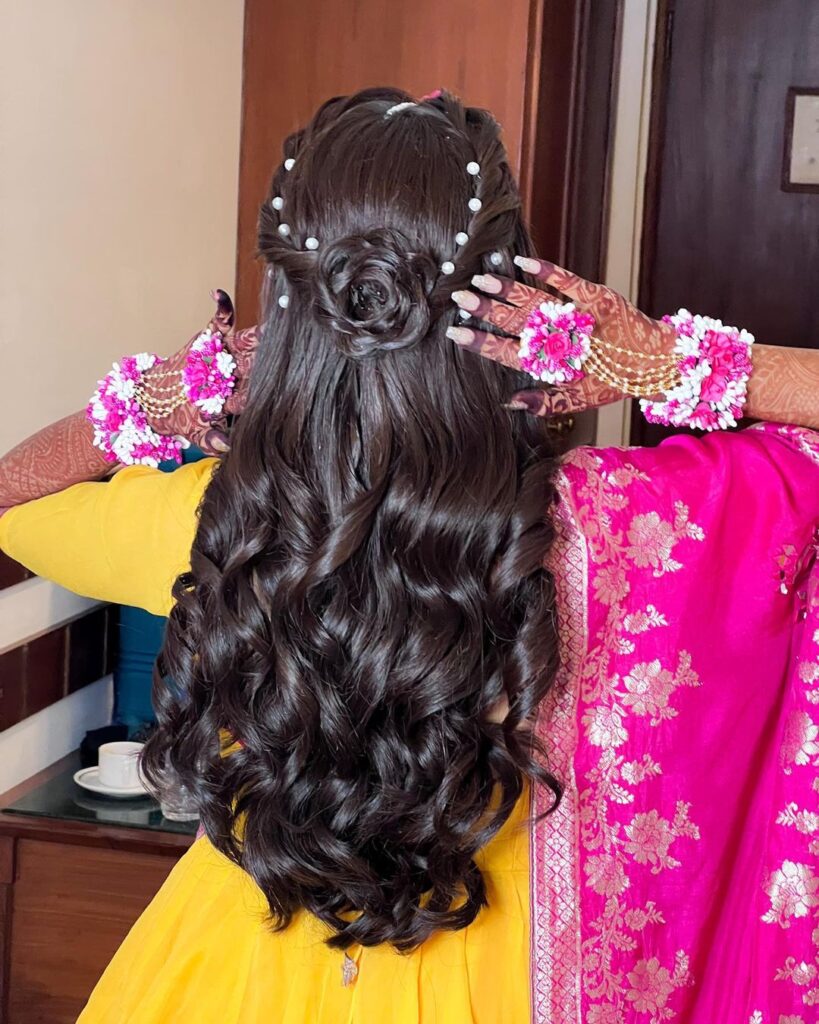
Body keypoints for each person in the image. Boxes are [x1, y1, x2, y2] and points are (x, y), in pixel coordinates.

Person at [1, 88, 818, 1024]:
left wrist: (179, 392)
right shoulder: (625, 530)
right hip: (515, 983)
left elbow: (13, 494)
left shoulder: (230, 521)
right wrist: (666, 361)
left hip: (231, 978)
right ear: (516, 295)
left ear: (292, 308)